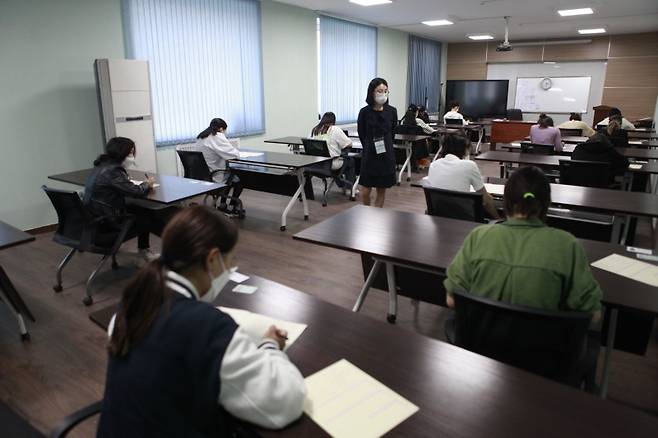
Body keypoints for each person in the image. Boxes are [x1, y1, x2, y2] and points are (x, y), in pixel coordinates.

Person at [98, 206, 306, 437]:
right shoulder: (209, 329)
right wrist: (270, 346)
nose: (232, 267)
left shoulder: (133, 303)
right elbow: (284, 403)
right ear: (213, 259)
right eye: (231, 259)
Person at [444, 165, 602, 323]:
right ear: (546, 204)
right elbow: (593, 315)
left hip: (477, 344)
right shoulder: (568, 245)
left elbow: (452, 300)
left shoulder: (478, 237)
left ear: (505, 202)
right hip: (543, 345)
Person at [84, 137, 177, 261]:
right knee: (149, 218)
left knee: (143, 211)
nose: (132, 156)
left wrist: (125, 180)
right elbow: (137, 191)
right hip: (108, 223)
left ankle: (147, 251)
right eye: (130, 152)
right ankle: (177, 249)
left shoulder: (101, 166)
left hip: (96, 218)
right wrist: (147, 183)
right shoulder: (113, 171)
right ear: (120, 153)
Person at [424, 135, 499, 219]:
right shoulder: (469, 165)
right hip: (465, 219)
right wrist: (499, 219)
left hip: (439, 219)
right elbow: (486, 200)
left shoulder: (434, 165)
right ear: (464, 149)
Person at [357, 77, 398, 208]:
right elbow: (361, 133)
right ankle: (367, 212)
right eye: (379, 91)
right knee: (365, 191)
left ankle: (376, 217)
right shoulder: (364, 112)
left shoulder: (392, 111)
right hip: (369, 155)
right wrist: (369, 146)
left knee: (381, 190)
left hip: (386, 156)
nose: (383, 94)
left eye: (385, 91)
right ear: (372, 92)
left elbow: (392, 132)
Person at [195, 118, 244, 215]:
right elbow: (234, 155)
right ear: (221, 129)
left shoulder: (201, 137)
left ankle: (223, 204)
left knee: (230, 177)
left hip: (202, 177)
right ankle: (233, 205)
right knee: (240, 178)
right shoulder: (217, 136)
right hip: (214, 176)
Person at [310, 111, 356, 186]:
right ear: (333, 121)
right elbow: (349, 144)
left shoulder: (314, 130)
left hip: (315, 164)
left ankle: (341, 184)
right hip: (330, 164)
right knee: (350, 161)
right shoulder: (334, 129)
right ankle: (349, 188)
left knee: (343, 159)